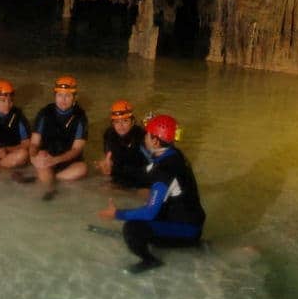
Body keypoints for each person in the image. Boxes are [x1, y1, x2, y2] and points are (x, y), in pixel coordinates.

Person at [97, 114, 206, 273]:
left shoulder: (163, 170)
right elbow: (143, 174)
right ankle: (189, 241)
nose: (144, 137)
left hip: (188, 229)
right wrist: (113, 170)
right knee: (145, 209)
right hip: (191, 220)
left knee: (132, 229)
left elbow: (150, 213)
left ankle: (150, 260)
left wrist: (117, 214)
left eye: (147, 134)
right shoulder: (172, 154)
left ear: (155, 141)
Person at [29, 75, 88, 198]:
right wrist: (34, 157)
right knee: (41, 159)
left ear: (74, 97)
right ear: (55, 96)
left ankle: (46, 179)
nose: (63, 99)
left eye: (67, 95)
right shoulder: (44, 113)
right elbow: (34, 143)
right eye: (60, 95)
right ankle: (50, 189)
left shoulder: (80, 117)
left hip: (68, 161)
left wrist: (56, 160)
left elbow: (77, 150)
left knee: (82, 168)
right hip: (47, 156)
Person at [95, 99, 148, 188]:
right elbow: (109, 157)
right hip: (121, 174)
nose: (121, 125)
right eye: (117, 122)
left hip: (140, 177)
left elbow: (149, 166)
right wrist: (106, 163)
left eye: (125, 121)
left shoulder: (141, 136)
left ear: (132, 122)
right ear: (112, 124)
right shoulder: (109, 134)